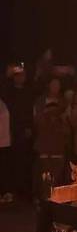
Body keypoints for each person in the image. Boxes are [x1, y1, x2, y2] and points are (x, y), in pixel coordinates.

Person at [33, 77, 69, 198]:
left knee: (56, 172)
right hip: (44, 141)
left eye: (58, 84)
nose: (55, 87)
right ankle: (44, 198)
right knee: (44, 173)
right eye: (53, 84)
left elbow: (68, 122)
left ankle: (54, 197)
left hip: (58, 143)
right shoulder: (40, 101)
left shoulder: (63, 102)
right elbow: (37, 120)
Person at [2, 66, 34, 198]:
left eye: (22, 75)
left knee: (25, 161)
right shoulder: (9, 93)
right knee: (13, 161)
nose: (20, 78)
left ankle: (25, 190)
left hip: (25, 131)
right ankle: (13, 189)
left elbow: (30, 112)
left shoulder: (28, 92)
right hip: (11, 131)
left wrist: (29, 127)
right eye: (17, 75)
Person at [0, 98, 13, 203]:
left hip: (3, 142)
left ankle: (5, 193)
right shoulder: (3, 105)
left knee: (3, 169)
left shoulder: (2, 105)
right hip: (4, 142)